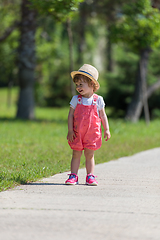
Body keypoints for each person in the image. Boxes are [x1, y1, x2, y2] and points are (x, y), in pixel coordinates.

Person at [65, 64, 111, 186]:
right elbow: (70, 115)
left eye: (81, 84)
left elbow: (103, 116)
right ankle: (73, 175)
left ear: (91, 84)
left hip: (92, 133)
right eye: (77, 85)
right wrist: (70, 130)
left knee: (89, 154)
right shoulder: (76, 99)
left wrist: (106, 129)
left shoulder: (98, 100)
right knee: (76, 153)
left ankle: (90, 176)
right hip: (77, 132)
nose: (78, 87)